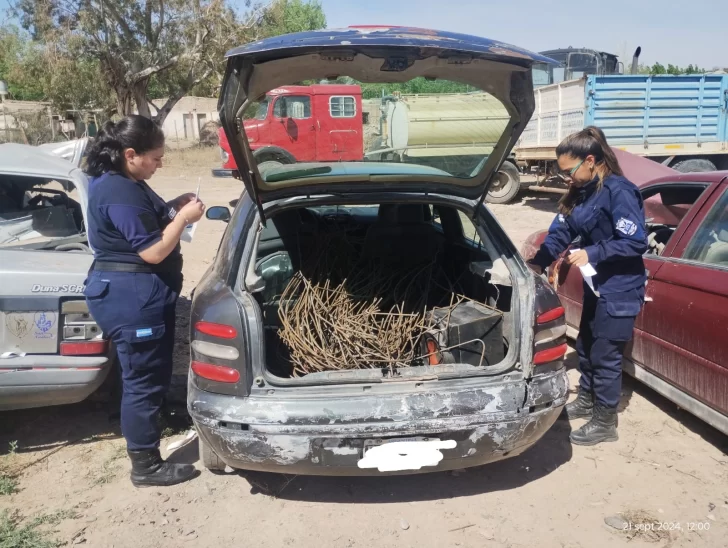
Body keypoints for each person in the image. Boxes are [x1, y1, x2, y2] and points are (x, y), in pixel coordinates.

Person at [83, 115, 205, 486]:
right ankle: (146, 466)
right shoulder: (119, 190)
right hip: (132, 296)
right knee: (143, 380)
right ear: (130, 154)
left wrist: (173, 206)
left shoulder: (126, 182)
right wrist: (183, 219)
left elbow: (142, 221)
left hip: (134, 293)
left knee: (144, 374)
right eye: (154, 158)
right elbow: (152, 250)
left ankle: (148, 434)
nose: (159, 164)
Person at [527, 126, 647, 446]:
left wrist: (593, 251)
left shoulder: (619, 192)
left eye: (569, 171)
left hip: (620, 287)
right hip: (598, 287)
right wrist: (537, 262)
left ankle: (605, 420)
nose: (566, 178)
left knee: (606, 355)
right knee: (586, 345)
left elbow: (635, 242)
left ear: (590, 160)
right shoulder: (581, 194)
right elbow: (559, 233)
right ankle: (589, 398)